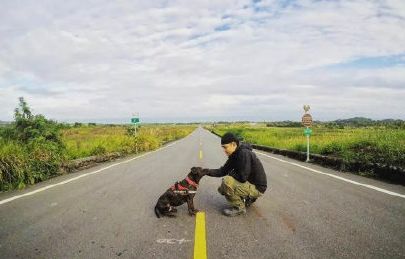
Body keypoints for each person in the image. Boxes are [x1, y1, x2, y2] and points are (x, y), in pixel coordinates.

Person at [203, 132, 267, 216]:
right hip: (250, 184)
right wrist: (205, 171)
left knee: (227, 182)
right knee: (223, 188)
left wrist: (230, 174)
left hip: (257, 188)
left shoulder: (243, 153)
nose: (224, 150)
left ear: (233, 144)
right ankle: (248, 198)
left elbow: (242, 177)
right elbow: (222, 171)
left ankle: (239, 208)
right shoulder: (235, 154)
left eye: (225, 147)